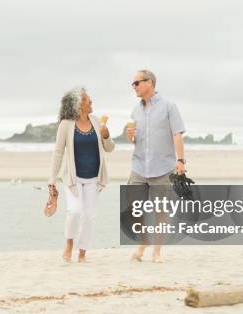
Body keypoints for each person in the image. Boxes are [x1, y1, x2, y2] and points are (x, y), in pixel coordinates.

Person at [126, 70, 187, 263]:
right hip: (139, 166)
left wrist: (181, 161)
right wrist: (131, 136)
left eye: (136, 83)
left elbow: (177, 134)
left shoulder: (169, 106)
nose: (133, 86)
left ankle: (157, 252)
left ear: (149, 83)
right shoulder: (135, 111)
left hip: (163, 167)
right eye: (133, 84)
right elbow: (136, 139)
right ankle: (144, 241)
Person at [48, 87, 115, 262]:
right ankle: (69, 242)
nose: (91, 101)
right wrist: (52, 180)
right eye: (87, 99)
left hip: (94, 177)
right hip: (73, 178)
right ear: (78, 104)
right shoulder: (66, 124)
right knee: (75, 211)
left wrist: (106, 136)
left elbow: (109, 148)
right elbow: (58, 153)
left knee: (90, 216)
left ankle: (82, 253)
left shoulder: (96, 121)